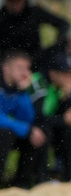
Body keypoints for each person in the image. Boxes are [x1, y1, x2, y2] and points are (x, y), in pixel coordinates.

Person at [27, 47, 71, 182]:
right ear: (52, 73)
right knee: (45, 130)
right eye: (64, 73)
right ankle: (41, 177)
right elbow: (37, 117)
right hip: (29, 124)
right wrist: (63, 120)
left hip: (45, 123)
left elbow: (63, 114)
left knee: (68, 130)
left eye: (70, 73)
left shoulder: (58, 86)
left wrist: (67, 96)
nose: (69, 77)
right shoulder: (38, 83)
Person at [0, 51, 47, 188]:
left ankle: (21, 184)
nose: (25, 73)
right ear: (5, 67)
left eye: (27, 68)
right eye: (20, 68)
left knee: (37, 134)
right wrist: (28, 129)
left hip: (8, 130)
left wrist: (23, 92)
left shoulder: (16, 89)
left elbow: (28, 119)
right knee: (5, 134)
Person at [0, 0, 70, 65]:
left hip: (35, 61)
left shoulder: (33, 12)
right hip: (9, 64)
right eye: (11, 0)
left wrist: (59, 37)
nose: (15, 4)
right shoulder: (2, 17)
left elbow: (63, 23)